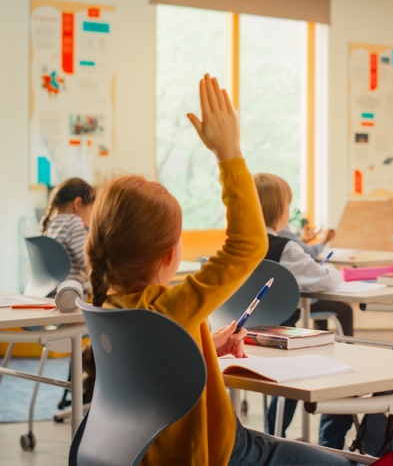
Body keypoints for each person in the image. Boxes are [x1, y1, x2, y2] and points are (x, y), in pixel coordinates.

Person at [84, 74, 351, 466]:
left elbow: (157, 362)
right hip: (217, 453)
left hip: (144, 455)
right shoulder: (167, 308)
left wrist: (205, 341)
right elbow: (249, 244)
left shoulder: (110, 304)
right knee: (339, 463)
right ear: (168, 255)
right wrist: (228, 152)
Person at [254, 172, 354, 448]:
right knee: (304, 365)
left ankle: (272, 433)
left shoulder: (234, 246)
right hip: (280, 335)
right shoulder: (285, 248)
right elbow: (325, 279)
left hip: (241, 335)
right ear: (279, 212)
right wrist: (331, 269)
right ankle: (288, 436)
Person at [40, 177, 95, 288]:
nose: (90, 221)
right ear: (77, 203)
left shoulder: (45, 223)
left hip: (45, 294)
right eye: (92, 212)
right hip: (67, 296)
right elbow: (88, 264)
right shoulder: (73, 223)